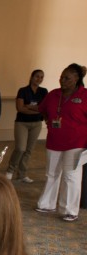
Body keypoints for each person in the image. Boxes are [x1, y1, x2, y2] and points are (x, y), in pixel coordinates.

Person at [35, 63, 87, 222]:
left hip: (77, 142)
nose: (62, 80)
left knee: (71, 176)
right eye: (61, 77)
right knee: (52, 173)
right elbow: (42, 109)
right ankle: (47, 204)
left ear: (77, 79)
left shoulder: (85, 95)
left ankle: (69, 210)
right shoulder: (53, 94)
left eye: (67, 78)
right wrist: (48, 120)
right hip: (54, 141)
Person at [6, 70, 48, 183]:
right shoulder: (23, 91)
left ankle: (22, 174)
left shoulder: (43, 92)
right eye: (37, 76)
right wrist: (36, 109)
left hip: (36, 124)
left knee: (28, 150)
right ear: (31, 77)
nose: (39, 79)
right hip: (22, 123)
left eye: (41, 77)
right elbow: (20, 109)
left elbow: (44, 108)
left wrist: (28, 107)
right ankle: (10, 170)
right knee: (20, 148)